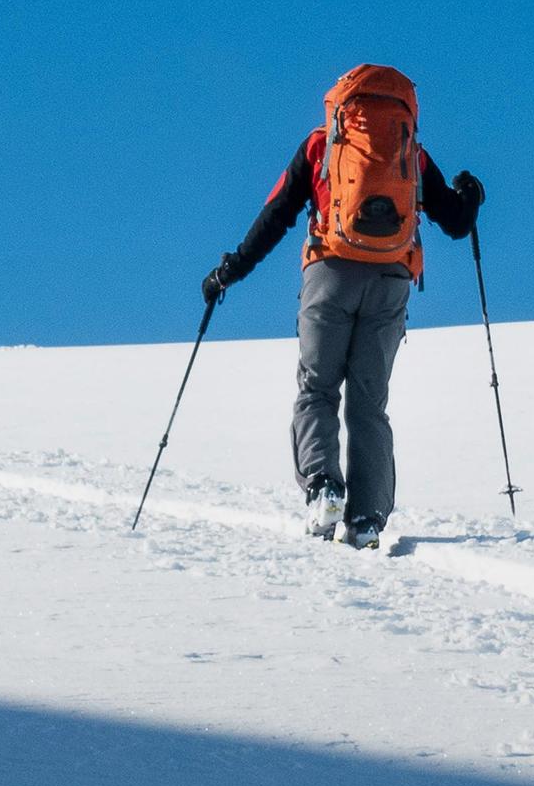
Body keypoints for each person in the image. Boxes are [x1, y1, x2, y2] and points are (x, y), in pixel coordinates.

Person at [203, 64, 484, 550]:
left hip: (329, 275)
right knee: (369, 402)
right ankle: (367, 516)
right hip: (391, 280)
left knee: (317, 388)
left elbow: (274, 216)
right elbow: (456, 223)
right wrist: (471, 198)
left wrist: (229, 270)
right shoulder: (410, 153)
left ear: (340, 105)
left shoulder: (321, 146)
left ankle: (323, 487)